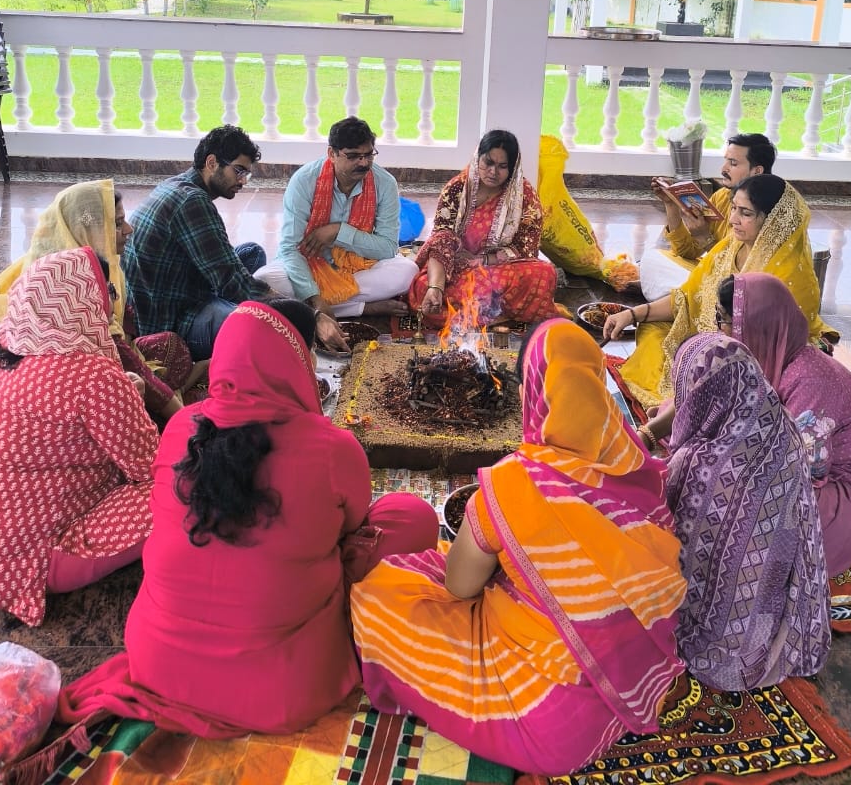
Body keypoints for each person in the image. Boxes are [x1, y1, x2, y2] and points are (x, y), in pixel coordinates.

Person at [58, 299, 438, 738]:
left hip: (158, 665)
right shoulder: (332, 448)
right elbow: (355, 526)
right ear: (296, 363)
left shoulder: (180, 427)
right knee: (411, 515)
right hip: (280, 690)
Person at [350, 319, 687, 777]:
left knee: (382, 594)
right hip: (630, 684)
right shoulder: (637, 468)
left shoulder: (516, 483)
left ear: (535, 395)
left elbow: (459, 587)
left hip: (544, 725)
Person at [0, 248, 158, 627]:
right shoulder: (92, 375)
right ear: (85, 297)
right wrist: (133, 401)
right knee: (182, 489)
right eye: (108, 291)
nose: (111, 303)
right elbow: (150, 465)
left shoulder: (4, 347)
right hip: (25, 563)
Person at [665, 331, 831, 691]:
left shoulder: (697, 464)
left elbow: (663, 517)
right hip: (764, 635)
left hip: (711, 648)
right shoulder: (784, 431)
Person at [723, 272, 851, 580]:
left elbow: (803, 469)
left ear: (756, 324)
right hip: (806, 473)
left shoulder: (812, 379)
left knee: (753, 514)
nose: (722, 330)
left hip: (847, 495)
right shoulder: (773, 356)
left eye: (727, 321)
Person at [606, 173, 836, 407]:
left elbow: (766, 355)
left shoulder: (791, 278)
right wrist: (631, 315)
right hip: (711, 341)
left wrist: (705, 353)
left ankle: (686, 403)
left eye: (745, 213)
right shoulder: (731, 246)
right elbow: (687, 297)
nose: (733, 219)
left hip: (746, 365)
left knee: (703, 379)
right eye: (734, 208)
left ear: (773, 221)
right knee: (652, 328)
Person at [0, 179, 195, 420]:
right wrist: (184, 421)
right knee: (146, 394)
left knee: (169, 345)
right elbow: (125, 358)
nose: (128, 230)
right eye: (118, 223)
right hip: (68, 392)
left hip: (95, 368)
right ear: (87, 230)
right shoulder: (70, 287)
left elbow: (126, 338)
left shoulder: (94, 265)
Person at [122, 124, 340, 357]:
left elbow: (226, 271)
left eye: (246, 174)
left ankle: (242, 309)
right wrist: (310, 316)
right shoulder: (192, 202)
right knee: (258, 328)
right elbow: (235, 283)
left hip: (179, 288)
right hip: (171, 320)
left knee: (252, 253)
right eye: (238, 171)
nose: (243, 181)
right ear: (211, 163)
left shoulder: (178, 184)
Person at [255, 117, 417, 324]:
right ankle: (361, 307)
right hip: (310, 265)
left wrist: (338, 232)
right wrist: (314, 296)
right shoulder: (304, 181)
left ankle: (311, 310)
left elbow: (387, 248)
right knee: (263, 281)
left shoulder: (384, 183)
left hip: (359, 267)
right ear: (332, 154)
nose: (364, 163)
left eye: (369, 155)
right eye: (353, 156)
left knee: (407, 272)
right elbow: (290, 248)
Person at [407, 129, 558, 328]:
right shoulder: (457, 189)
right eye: (488, 162)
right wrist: (436, 287)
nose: (493, 172)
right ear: (478, 158)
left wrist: (484, 260)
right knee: (422, 288)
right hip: (455, 268)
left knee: (544, 273)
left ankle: (473, 314)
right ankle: (492, 313)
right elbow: (441, 238)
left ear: (512, 168)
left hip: (498, 270)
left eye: (502, 166)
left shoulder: (524, 196)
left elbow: (526, 249)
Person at [640, 132, 778, 300]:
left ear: (757, 171)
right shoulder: (722, 196)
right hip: (714, 275)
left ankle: (676, 297)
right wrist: (670, 205)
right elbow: (687, 252)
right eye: (725, 161)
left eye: (733, 163)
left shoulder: (767, 210)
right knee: (653, 258)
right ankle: (676, 295)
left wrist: (704, 236)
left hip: (741, 290)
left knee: (660, 269)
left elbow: (737, 273)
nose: (723, 169)